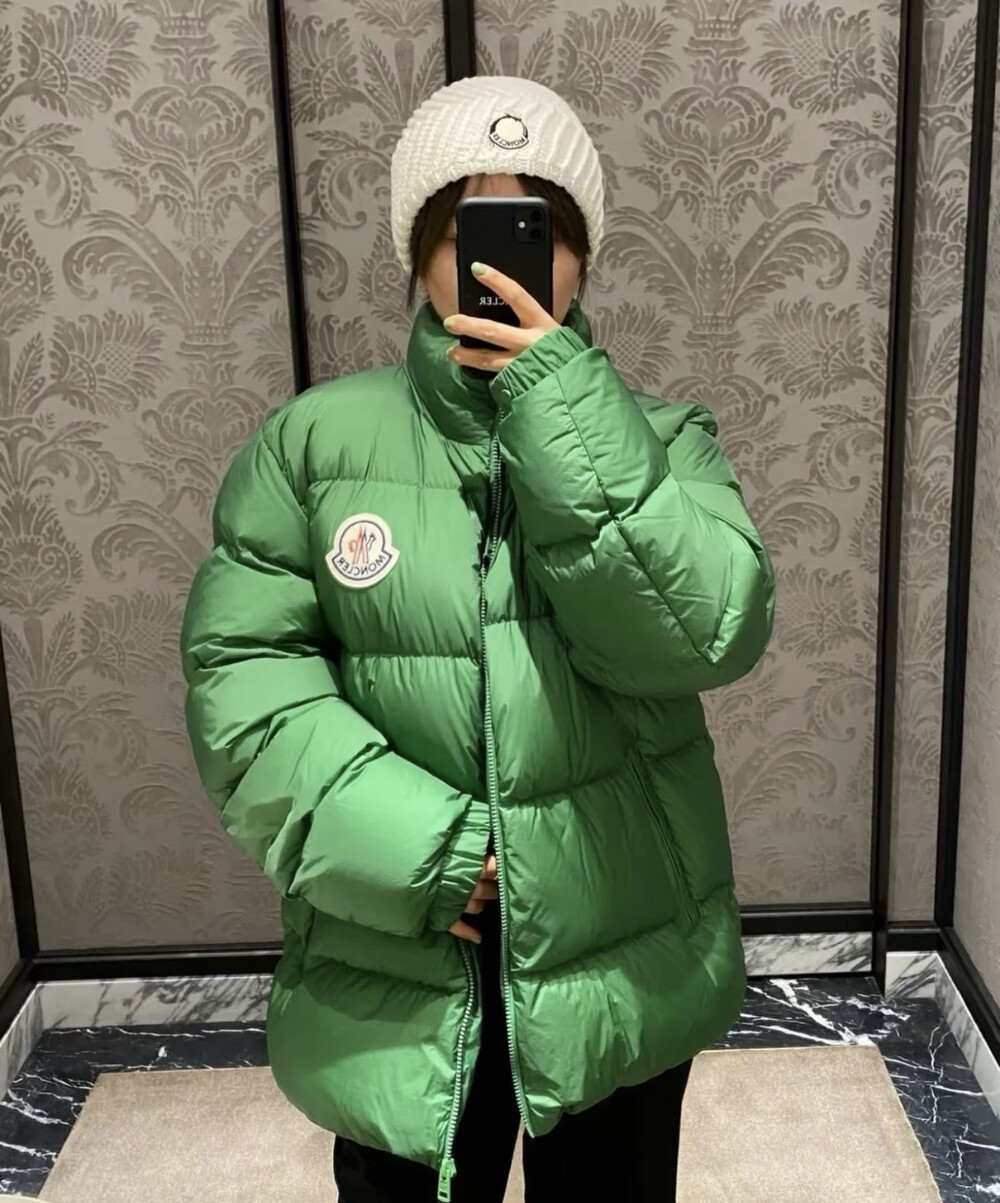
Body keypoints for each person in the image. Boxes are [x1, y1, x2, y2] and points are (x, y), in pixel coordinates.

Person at [180, 74, 775, 1203]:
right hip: (397, 943)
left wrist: (558, 404)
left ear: (581, 253)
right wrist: (426, 852)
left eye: (535, 230)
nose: (500, 263)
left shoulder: (664, 442)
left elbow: (704, 635)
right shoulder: (310, 445)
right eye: (465, 229)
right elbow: (244, 687)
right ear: (418, 254)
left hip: (621, 942)